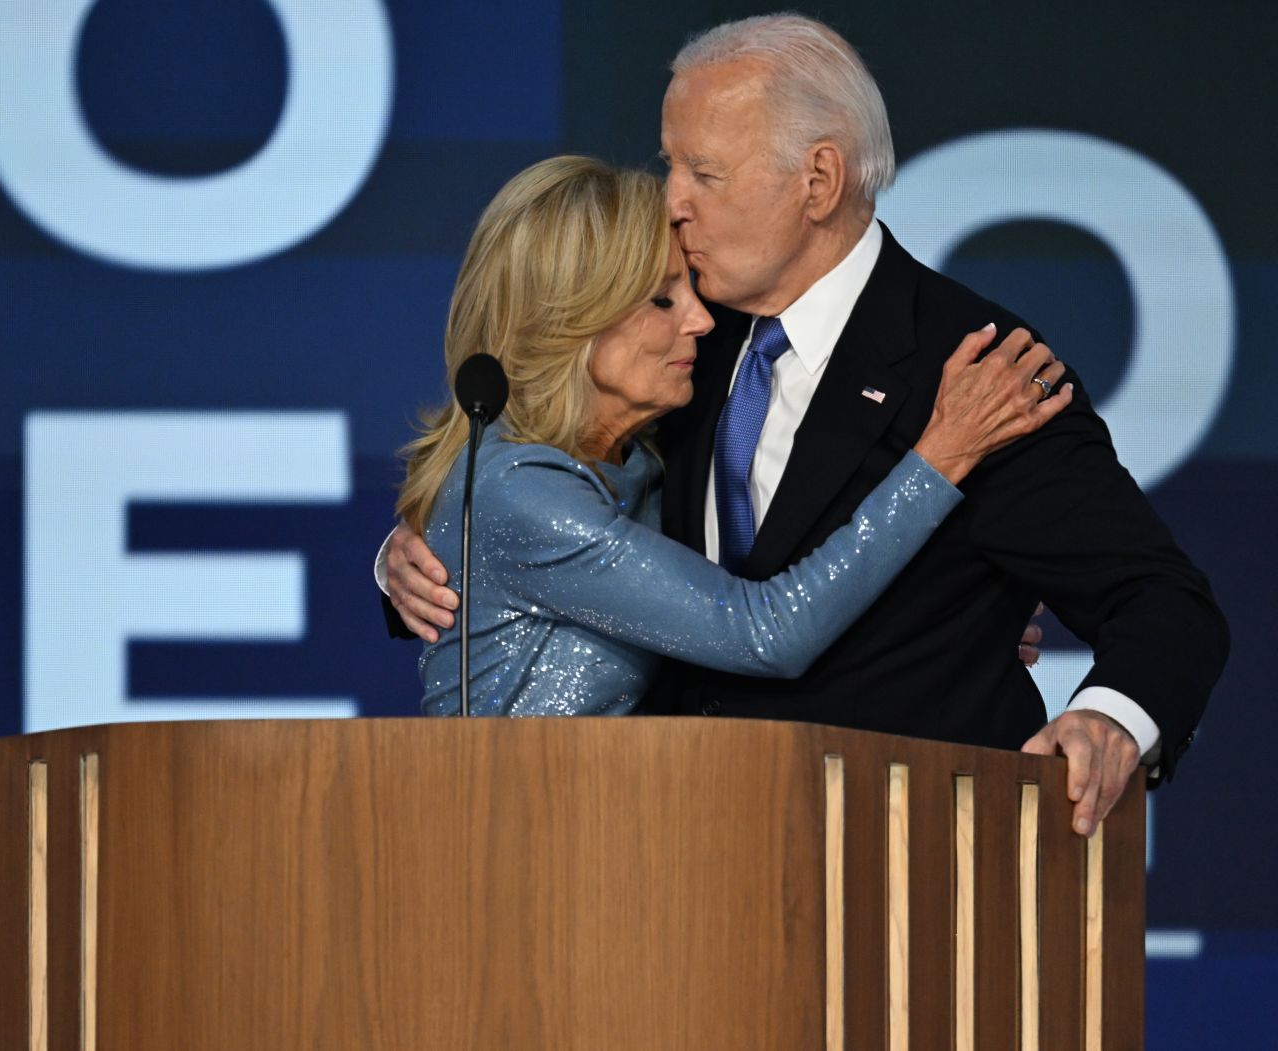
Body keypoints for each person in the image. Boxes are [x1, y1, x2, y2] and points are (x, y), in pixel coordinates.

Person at [385, 15, 1228, 837]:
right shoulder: (674, 340)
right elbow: (551, 482)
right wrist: (414, 556)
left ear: (817, 181)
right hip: (663, 874)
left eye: (703, 174)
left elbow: (1162, 601)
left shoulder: (977, 376)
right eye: (670, 164)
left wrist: (1110, 721)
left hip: (896, 875)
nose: (671, 202)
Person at [396, 155, 1071, 715]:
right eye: (663, 299)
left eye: (690, 287)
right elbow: (763, 629)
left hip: (612, 833)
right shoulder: (519, 490)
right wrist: (939, 459)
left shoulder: (645, 466)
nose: (701, 319)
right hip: (501, 850)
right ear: (568, 320)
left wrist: (948, 627)